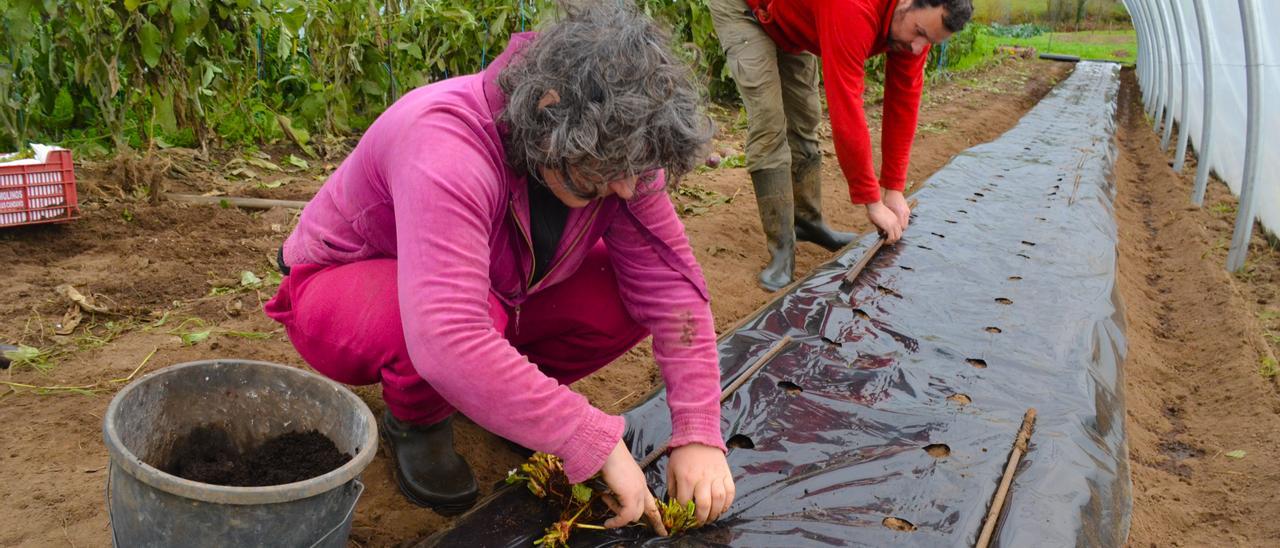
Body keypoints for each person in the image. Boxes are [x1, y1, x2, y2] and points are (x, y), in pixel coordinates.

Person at [263, 2, 735, 532]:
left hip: (492, 294)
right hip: (345, 289)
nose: (625, 188)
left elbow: (673, 289)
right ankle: (417, 421)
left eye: (635, 170)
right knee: (465, 320)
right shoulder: (446, 143)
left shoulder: (618, 152)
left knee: (624, 296)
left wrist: (697, 431)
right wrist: (588, 438)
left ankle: (507, 397)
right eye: (608, 170)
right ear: (548, 109)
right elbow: (449, 333)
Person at [710, 0, 973, 290]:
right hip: (747, 10)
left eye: (929, 41)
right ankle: (782, 248)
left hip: (793, 21)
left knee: (804, 121)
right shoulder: (851, 7)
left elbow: (903, 104)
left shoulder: (912, 34)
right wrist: (872, 202)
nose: (916, 47)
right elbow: (847, 107)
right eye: (918, 32)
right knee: (770, 124)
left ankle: (808, 223)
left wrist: (894, 190)